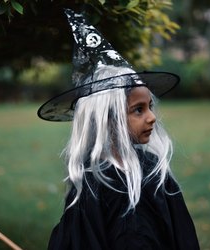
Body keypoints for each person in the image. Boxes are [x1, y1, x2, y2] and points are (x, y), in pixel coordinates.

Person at [38, 9, 199, 250]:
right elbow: (76, 240)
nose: (152, 117)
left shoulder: (154, 170)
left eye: (150, 107)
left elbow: (182, 235)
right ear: (109, 118)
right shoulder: (91, 183)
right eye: (138, 110)